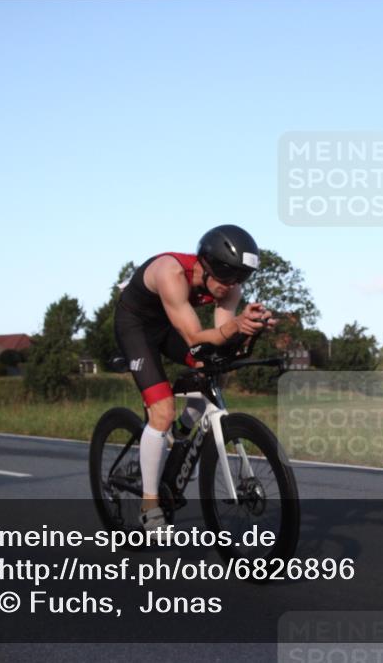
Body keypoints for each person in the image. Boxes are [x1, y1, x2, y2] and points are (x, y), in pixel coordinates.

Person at [114, 225, 274, 534]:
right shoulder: (170, 272)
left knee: (210, 370)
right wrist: (236, 326)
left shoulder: (231, 287)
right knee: (162, 410)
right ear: (207, 265)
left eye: (240, 280)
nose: (233, 287)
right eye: (228, 278)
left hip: (168, 326)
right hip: (136, 328)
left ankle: (178, 435)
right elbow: (194, 336)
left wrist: (248, 329)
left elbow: (218, 342)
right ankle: (150, 506)